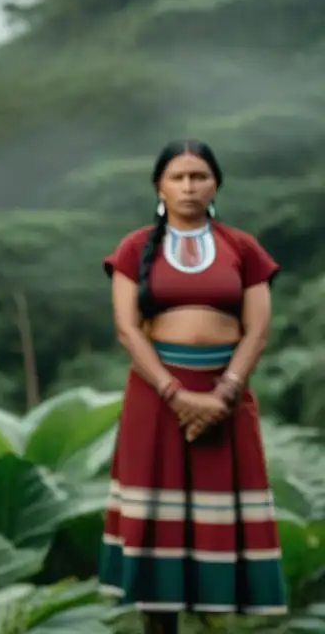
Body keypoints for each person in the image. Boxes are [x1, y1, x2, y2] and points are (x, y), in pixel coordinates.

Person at [99, 140, 287, 633]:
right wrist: (176, 394)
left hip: (225, 398)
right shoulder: (134, 248)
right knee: (157, 520)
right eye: (178, 177)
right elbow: (127, 329)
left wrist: (223, 393)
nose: (188, 186)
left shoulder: (242, 248)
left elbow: (258, 330)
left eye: (199, 176)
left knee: (215, 521)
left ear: (216, 183)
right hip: (156, 399)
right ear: (159, 185)